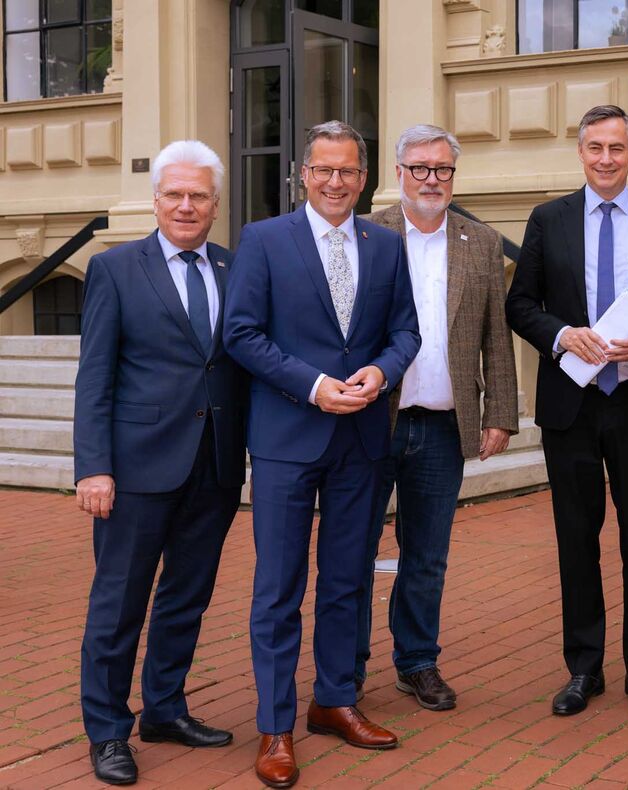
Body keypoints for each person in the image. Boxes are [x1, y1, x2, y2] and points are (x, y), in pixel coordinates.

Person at [223, 120, 421, 789]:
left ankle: (334, 700)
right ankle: (275, 725)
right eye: (324, 170)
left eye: (348, 171)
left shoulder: (385, 245)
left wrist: (381, 373)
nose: (336, 182)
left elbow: (405, 331)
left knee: (346, 579)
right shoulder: (263, 240)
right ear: (303, 175)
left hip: (360, 440)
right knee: (279, 587)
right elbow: (241, 333)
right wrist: (311, 385)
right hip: (286, 438)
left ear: (364, 179)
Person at [505, 105, 628, 718]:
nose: (606, 158)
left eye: (617, 148)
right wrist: (563, 335)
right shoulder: (549, 219)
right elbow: (520, 304)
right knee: (576, 541)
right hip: (572, 406)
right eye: (595, 147)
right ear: (580, 152)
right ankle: (583, 668)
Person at [74, 140, 246, 785]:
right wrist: (93, 467)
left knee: (186, 597)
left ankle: (165, 710)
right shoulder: (115, 268)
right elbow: (95, 377)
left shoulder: (234, 267)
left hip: (215, 463)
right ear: (155, 201)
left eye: (198, 195)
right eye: (174, 193)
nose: (185, 205)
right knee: (119, 602)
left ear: (215, 204)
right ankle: (107, 731)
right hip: (136, 467)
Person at [355, 124, 519, 710]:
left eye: (442, 169)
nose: (432, 179)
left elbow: (495, 335)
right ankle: (348, 667)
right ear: (398, 173)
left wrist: (500, 412)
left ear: (453, 175)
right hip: (372, 423)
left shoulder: (482, 242)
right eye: (420, 168)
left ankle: (417, 661)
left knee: (426, 556)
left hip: (444, 425)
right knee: (354, 551)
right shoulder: (367, 235)